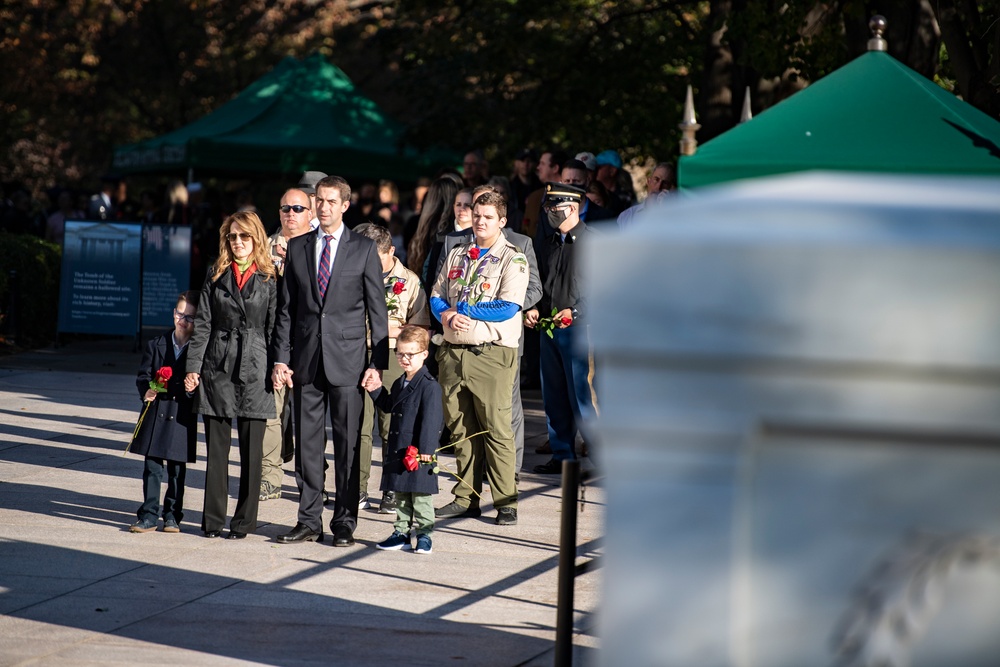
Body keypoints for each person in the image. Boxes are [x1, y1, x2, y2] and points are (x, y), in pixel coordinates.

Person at [272, 175, 389, 547]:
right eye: (318, 200)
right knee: (307, 446)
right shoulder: (300, 246)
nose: (322, 207)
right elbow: (286, 310)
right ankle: (308, 520)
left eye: (329, 201)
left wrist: (377, 363)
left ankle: (344, 521)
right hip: (306, 361)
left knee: (348, 445)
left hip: (349, 362)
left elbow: (377, 311)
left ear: (344, 205)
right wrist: (281, 358)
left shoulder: (363, 249)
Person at [430, 190, 529, 525]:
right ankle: (465, 497)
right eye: (477, 215)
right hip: (453, 351)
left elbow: (508, 307)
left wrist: (465, 309)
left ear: (502, 221)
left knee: (496, 428)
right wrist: (446, 315)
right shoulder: (458, 253)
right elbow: (436, 294)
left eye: (488, 217)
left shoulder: (512, 258)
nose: (480, 222)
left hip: (491, 354)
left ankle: (506, 501)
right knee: (460, 428)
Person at [184, 211, 277, 539]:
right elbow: (203, 324)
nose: (238, 243)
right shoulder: (215, 273)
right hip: (218, 365)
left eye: (244, 237)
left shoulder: (270, 276)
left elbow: (276, 327)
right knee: (217, 452)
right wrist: (193, 368)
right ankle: (212, 521)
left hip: (256, 366)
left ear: (256, 238)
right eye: (232, 237)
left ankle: (243, 522)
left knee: (252, 454)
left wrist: (279, 366)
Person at [524, 183, 599, 475]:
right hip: (550, 328)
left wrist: (577, 311)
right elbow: (541, 284)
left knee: (583, 398)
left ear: (571, 207)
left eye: (552, 208)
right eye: (547, 208)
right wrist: (533, 309)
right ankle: (562, 454)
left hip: (581, 329)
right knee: (554, 395)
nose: (547, 213)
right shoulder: (549, 242)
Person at [355, 223, 430, 514]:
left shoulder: (409, 280)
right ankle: (357, 488)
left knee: (392, 427)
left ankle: (391, 488)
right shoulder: (352, 274)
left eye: (378, 258)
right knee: (360, 425)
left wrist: (395, 330)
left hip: (393, 356)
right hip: (357, 353)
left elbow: (422, 326)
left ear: (392, 251)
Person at [363, 325, 443, 554]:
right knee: (401, 495)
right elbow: (390, 406)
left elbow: (432, 420)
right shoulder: (400, 382)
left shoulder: (429, 386)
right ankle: (401, 533)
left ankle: (425, 534)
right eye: (400, 353)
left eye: (410, 354)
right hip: (400, 450)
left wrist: (427, 450)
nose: (404, 359)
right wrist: (376, 389)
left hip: (418, 452)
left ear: (424, 354)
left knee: (420, 496)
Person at [129, 291, 200, 533]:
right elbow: (143, 376)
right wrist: (147, 390)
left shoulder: (198, 350)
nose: (184, 320)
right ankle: (148, 514)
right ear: (173, 314)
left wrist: (192, 389)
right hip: (156, 411)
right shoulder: (156, 344)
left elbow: (203, 385)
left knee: (177, 470)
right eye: (180, 314)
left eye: (190, 317)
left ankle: (172, 514)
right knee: (152, 466)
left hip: (180, 414)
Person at [259, 188, 313, 502]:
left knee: (308, 415)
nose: (290, 214)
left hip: (309, 342)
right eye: (285, 208)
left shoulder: (321, 247)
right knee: (270, 413)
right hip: (271, 341)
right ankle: (269, 479)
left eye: (297, 208)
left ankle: (310, 479)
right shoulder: (263, 247)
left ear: (311, 213)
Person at [617, 162, 676, 230]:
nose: (658, 187)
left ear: (671, 188)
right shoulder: (627, 216)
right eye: (656, 179)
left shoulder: (674, 218)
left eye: (665, 183)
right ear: (648, 181)